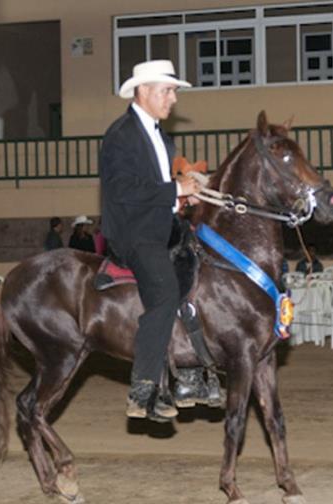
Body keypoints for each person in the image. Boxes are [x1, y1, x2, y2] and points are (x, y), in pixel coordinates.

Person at [99, 59, 200, 422]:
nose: (173, 98)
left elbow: (157, 193)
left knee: (200, 271)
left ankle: (192, 375)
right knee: (165, 293)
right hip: (134, 233)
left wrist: (181, 198)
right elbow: (123, 190)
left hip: (161, 226)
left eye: (173, 91)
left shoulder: (163, 137)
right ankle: (143, 388)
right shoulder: (121, 135)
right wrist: (174, 188)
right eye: (167, 90)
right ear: (143, 91)